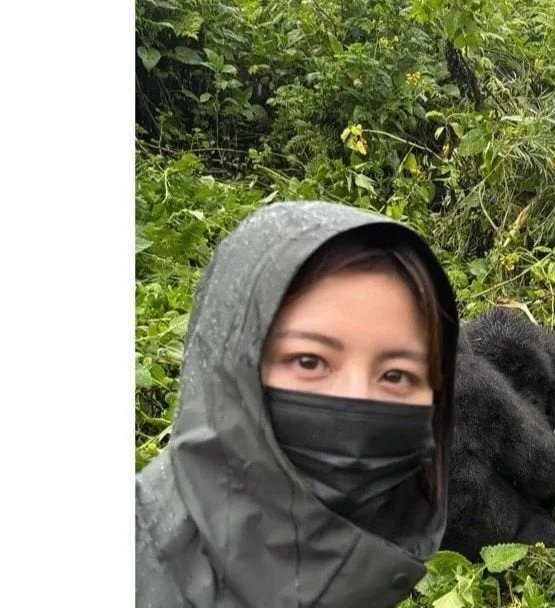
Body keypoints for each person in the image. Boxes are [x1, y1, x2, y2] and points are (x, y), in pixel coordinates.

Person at [135, 200, 460, 608]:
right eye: (309, 361)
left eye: (395, 375)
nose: (356, 400)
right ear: (230, 367)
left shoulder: (364, 566)